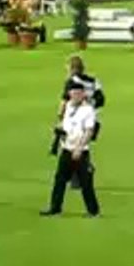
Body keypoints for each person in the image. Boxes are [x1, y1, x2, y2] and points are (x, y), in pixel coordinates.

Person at [41, 81, 101, 217]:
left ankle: (93, 211)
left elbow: (89, 131)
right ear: (70, 94)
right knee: (59, 179)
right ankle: (55, 207)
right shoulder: (68, 106)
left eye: (79, 93)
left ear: (83, 94)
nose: (77, 96)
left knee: (86, 182)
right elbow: (67, 124)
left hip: (81, 151)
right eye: (74, 93)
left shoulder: (88, 110)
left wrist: (79, 148)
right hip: (67, 149)